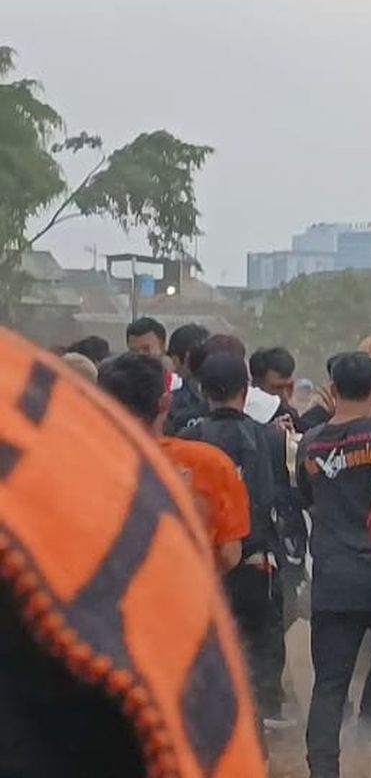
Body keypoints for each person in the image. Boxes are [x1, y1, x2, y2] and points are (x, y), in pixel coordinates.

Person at [0, 328, 266, 778]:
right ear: (164, 405)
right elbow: (231, 554)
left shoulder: (61, 461)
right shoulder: (197, 468)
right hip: (178, 638)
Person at [296, 352, 371, 778]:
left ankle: (323, 770)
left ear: (333, 389)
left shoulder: (311, 442)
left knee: (329, 684)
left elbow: (306, 496)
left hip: (333, 578)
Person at [179, 351, 297, 730]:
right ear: (246, 390)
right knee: (259, 641)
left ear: (201, 389)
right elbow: (273, 500)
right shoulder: (267, 438)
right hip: (254, 560)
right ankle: (258, 719)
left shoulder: (187, 436)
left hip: (201, 563)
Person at [98, 352, 250, 573]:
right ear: (165, 402)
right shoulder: (212, 464)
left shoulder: (80, 463)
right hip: (185, 597)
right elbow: (230, 554)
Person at [165, 322, 210, 433]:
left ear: (187, 357)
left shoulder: (175, 403)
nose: (175, 370)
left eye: (174, 361)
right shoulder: (230, 395)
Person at [250, 346, 297, 411]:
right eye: (277, 388)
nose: (285, 395)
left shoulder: (292, 416)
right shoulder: (243, 417)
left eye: (289, 387)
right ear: (257, 386)